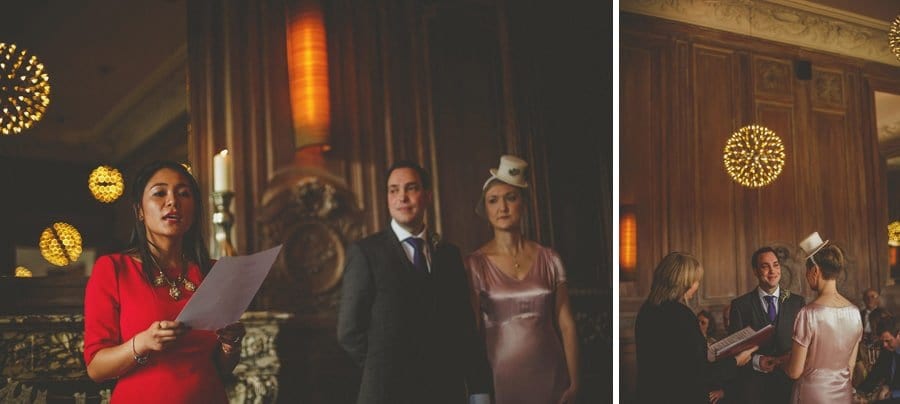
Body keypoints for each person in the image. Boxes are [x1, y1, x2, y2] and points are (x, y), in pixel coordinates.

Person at [83, 161, 245, 403]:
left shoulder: (213, 271)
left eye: (183, 194)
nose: (173, 202)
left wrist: (230, 345)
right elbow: (96, 369)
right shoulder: (114, 268)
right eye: (160, 193)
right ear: (139, 210)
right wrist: (143, 343)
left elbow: (222, 368)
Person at [337, 160, 493, 404]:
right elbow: (349, 331)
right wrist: (384, 367)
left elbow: (464, 327)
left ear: (428, 195)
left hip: (444, 391)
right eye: (394, 190)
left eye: (411, 188)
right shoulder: (366, 252)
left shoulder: (448, 255)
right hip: (386, 393)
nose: (402, 197)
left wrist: (479, 386)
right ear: (387, 198)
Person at [464, 155, 579, 404]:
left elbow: (567, 324)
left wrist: (576, 382)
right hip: (498, 378)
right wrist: (476, 388)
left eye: (510, 198)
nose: (502, 207)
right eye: (493, 201)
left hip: (552, 374)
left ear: (523, 204)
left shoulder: (550, 258)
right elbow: (471, 333)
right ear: (485, 209)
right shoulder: (474, 264)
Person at [635, 251, 757, 404]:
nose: (697, 286)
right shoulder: (681, 315)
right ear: (684, 282)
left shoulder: (646, 311)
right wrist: (736, 361)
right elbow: (699, 373)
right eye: (696, 281)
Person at [781, 232, 863, 403]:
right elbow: (850, 366)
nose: (805, 276)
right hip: (843, 394)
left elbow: (795, 372)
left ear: (815, 271)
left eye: (806, 270)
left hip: (811, 395)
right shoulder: (855, 313)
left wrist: (781, 363)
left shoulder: (808, 313)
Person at [728, 246, 806, 404]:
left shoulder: (797, 302)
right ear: (755, 271)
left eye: (776, 265)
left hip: (789, 386)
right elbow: (734, 350)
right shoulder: (740, 305)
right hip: (754, 389)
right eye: (765, 266)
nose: (772, 271)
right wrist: (757, 361)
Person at [855, 317, 900, 402]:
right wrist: (858, 393)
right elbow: (875, 375)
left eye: (888, 341)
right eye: (882, 341)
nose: (884, 345)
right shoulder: (887, 351)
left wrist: (893, 393)